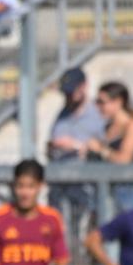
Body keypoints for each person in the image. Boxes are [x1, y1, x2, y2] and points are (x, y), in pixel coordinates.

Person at [47, 67, 105, 252]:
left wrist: (79, 146)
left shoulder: (96, 114)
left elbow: (104, 147)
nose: (69, 96)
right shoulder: (63, 113)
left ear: (84, 87)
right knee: (60, 230)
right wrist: (54, 146)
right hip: (60, 181)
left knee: (83, 231)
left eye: (73, 91)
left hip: (85, 185)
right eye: (67, 92)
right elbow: (53, 144)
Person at [86, 81, 133, 212]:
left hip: (127, 192)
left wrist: (101, 149)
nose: (98, 106)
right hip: (108, 190)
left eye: (102, 102)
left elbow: (124, 159)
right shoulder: (108, 127)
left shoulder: (132, 124)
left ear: (118, 101)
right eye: (97, 102)